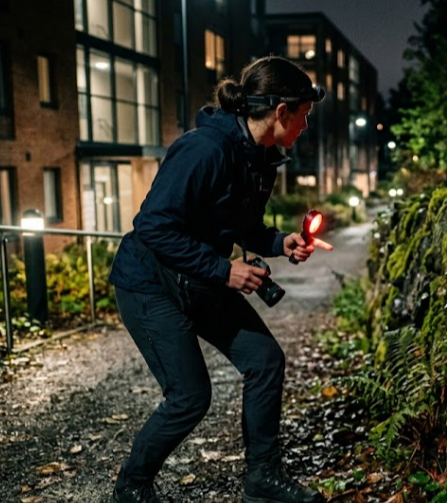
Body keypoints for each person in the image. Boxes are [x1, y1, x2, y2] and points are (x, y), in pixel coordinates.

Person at [107, 56, 332, 503]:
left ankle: (262, 479)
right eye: (304, 116)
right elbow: (152, 227)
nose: (306, 126)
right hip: (149, 283)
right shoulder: (204, 149)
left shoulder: (258, 155)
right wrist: (224, 270)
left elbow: (238, 223)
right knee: (190, 396)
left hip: (198, 278)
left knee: (264, 360)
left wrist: (277, 242)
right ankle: (131, 487)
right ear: (281, 112)